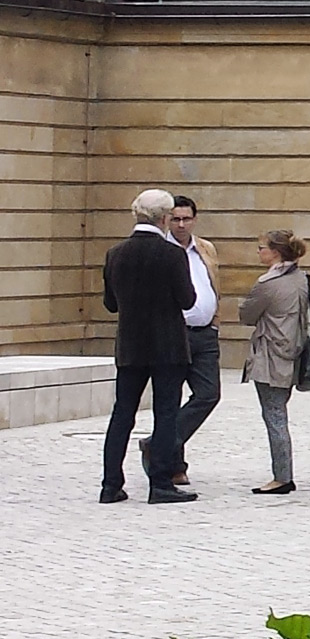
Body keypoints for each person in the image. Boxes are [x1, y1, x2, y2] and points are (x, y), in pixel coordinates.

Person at [99, 190, 197, 504]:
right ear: (165, 218)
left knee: (122, 413)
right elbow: (187, 300)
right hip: (167, 345)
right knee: (165, 413)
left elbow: (110, 304)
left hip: (130, 345)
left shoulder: (116, 253)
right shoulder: (172, 254)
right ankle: (161, 483)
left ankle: (110, 483)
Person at [239, 230, 310, 495]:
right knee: (279, 412)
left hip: (271, 356)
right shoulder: (301, 278)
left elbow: (246, 315)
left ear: (276, 252)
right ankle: (283, 474)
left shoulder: (267, 284)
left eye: (262, 248)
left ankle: (282, 476)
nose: (259, 252)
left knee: (275, 416)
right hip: (294, 352)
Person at [166, 194, 223, 485]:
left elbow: (214, 283)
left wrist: (214, 320)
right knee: (171, 398)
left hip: (205, 333)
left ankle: (157, 444)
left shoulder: (205, 248)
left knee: (208, 394)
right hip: (174, 334)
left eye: (186, 218)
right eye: (175, 218)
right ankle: (174, 464)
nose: (181, 224)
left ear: (194, 219)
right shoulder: (163, 249)